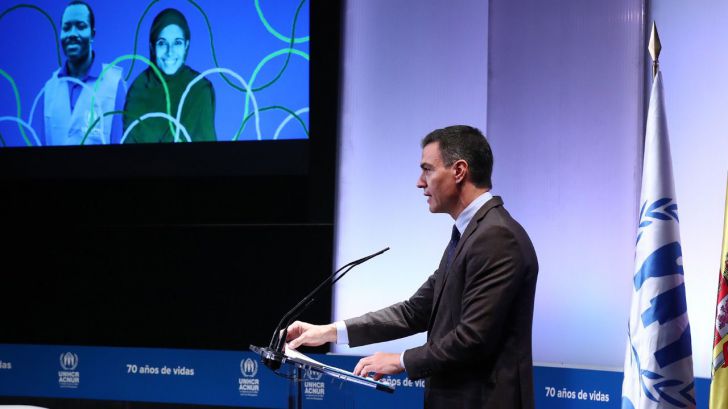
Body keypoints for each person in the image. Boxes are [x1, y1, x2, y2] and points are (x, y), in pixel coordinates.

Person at [286, 125, 539, 409]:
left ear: (459, 171)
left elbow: (473, 338)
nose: (420, 182)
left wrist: (402, 360)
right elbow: (414, 311)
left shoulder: (496, 237)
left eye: (428, 170)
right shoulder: (471, 234)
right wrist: (329, 332)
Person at [123, 8, 216, 143]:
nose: (170, 52)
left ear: (186, 45)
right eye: (162, 43)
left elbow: (210, 152)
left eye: (177, 42)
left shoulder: (200, 89)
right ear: (152, 47)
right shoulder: (138, 89)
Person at [41, 1, 125, 145]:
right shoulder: (50, 87)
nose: (72, 34)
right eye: (66, 28)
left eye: (80, 26)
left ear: (92, 34)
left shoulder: (114, 83)